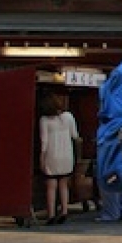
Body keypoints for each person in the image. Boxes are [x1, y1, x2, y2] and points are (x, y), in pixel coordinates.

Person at [38, 94, 78, 225]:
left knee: (51, 186)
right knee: (63, 184)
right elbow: (75, 135)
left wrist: (41, 158)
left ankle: (51, 214)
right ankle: (64, 211)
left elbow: (44, 142)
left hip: (52, 154)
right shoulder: (68, 117)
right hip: (67, 154)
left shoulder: (44, 120)